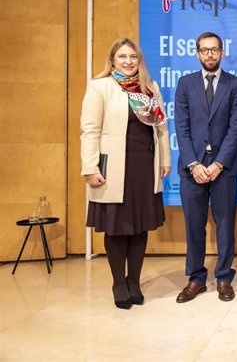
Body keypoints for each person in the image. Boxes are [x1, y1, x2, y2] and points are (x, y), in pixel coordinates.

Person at [80, 38, 170, 309]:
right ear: (113, 60)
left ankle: (134, 282)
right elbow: (90, 130)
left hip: (145, 165)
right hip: (114, 167)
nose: (129, 61)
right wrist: (89, 167)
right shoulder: (100, 87)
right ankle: (119, 282)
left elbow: (161, 128)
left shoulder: (149, 88)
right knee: (117, 228)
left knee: (140, 226)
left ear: (139, 60)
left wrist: (165, 159)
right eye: (122, 56)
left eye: (133, 56)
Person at [174, 32, 237, 303]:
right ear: (197, 53)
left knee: (225, 224)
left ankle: (224, 276)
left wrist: (217, 164)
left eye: (214, 50)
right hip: (191, 169)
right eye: (205, 50)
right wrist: (193, 164)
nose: (210, 55)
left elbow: (235, 128)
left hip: (224, 168)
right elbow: (181, 126)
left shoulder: (235, 84)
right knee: (194, 225)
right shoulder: (185, 84)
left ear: (222, 52)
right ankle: (196, 278)